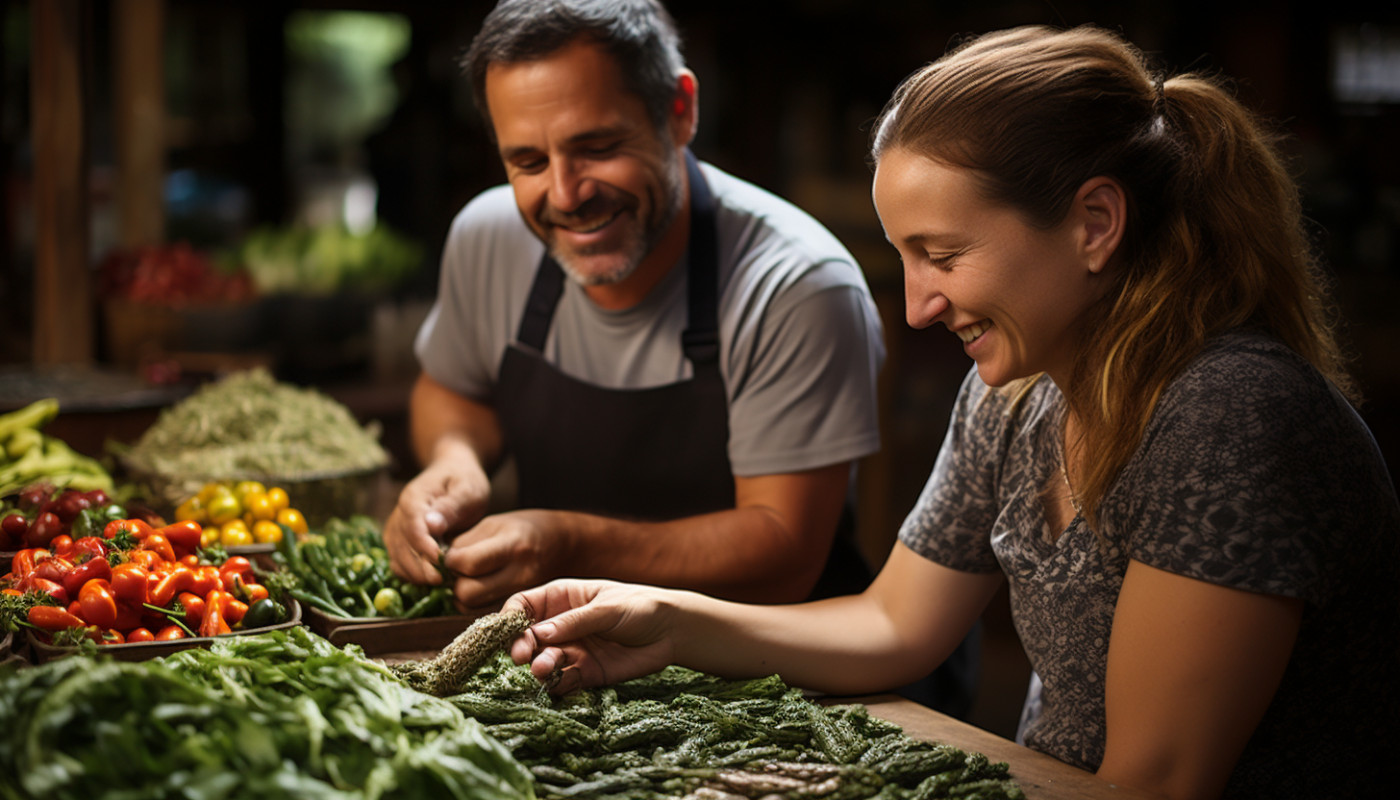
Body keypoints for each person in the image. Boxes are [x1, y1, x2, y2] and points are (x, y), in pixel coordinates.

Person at [501, 24, 1400, 800]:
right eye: (905, 259)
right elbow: (896, 623)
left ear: (1094, 223)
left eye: (942, 255)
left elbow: (1152, 787)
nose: (918, 307)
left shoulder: (1228, 416)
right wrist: (671, 623)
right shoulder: (1013, 393)